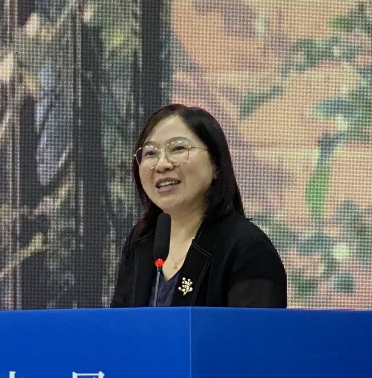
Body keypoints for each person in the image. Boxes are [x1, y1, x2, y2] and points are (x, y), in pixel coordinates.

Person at [111, 104, 287, 308]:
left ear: (216, 165)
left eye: (178, 149)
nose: (162, 165)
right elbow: (119, 328)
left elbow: (255, 338)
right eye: (150, 153)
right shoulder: (142, 240)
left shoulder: (248, 248)